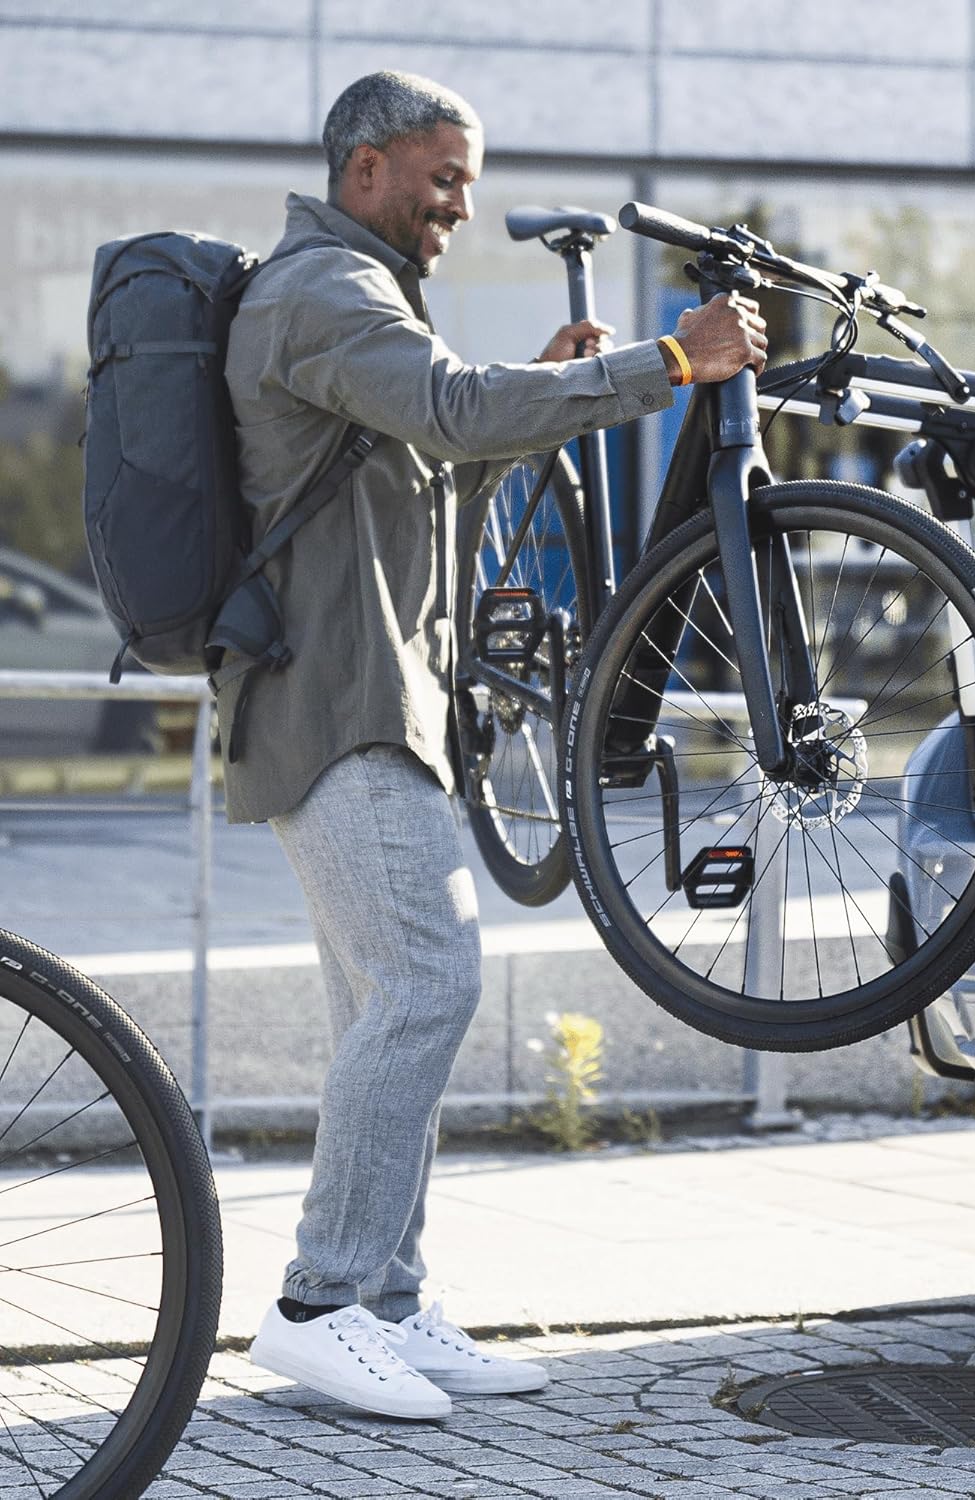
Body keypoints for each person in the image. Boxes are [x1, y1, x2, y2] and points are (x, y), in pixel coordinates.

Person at [227, 70, 767, 1421]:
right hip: (337, 705)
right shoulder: (323, 290)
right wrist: (666, 365)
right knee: (430, 982)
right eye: (443, 178)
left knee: (385, 1003)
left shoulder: (360, 296)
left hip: (380, 701)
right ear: (365, 168)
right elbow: (458, 411)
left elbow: (442, 453)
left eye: (467, 182)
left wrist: (554, 383)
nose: (461, 207)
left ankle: (388, 1302)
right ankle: (319, 1304)